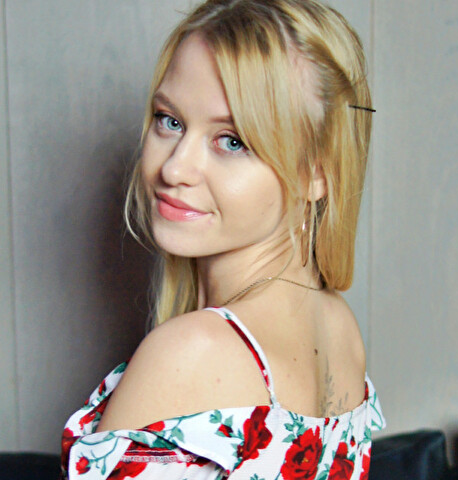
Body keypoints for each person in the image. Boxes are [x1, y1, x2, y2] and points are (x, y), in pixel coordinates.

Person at [61, 0, 385, 478]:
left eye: (232, 141)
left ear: (316, 174)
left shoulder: (191, 351)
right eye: (170, 120)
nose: (175, 168)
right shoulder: (338, 325)